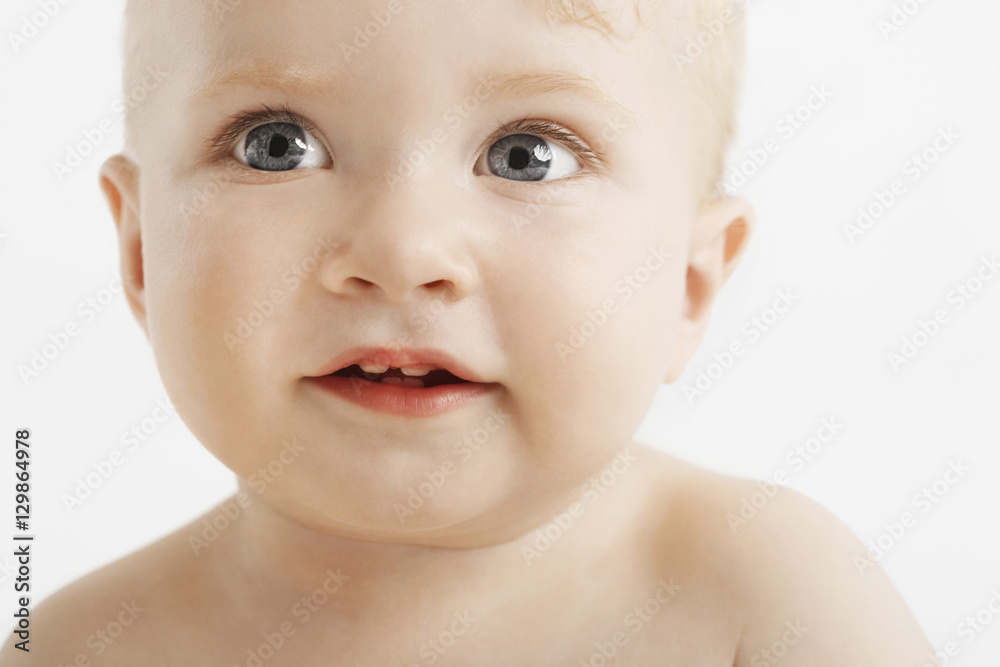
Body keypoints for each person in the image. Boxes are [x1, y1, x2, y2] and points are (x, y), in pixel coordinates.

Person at [4, 0, 939, 664]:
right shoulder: (81, 649)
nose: (403, 249)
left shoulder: (771, 600)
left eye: (527, 156)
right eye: (275, 143)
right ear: (138, 253)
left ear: (690, 285)